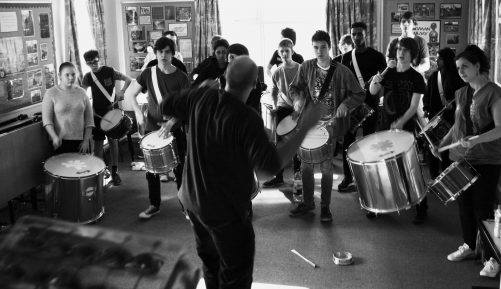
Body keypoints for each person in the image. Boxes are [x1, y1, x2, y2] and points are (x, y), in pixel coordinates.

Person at [161, 55, 324, 289]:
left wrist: (199, 88)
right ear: (255, 84)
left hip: (192, 200)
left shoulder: (200, 97)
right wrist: (304, 127)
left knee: (211, 262)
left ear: (224, 76)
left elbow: (166, 105)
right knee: (235, 273)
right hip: (225, 211)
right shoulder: (247, 118)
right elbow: (268, 170)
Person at [290, 30, 365, 222]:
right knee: (306, 167)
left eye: (323, 47)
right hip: (308, 124)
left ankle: (325, 207)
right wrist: (298, 100)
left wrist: (344, 105)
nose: (319, 51)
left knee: (326, 168)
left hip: (330, 126)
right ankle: (308, 203)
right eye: (316, 47)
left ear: (329, 47)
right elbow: (295, 87)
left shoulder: (341, 71)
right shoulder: (306, 67)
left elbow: (359, 93)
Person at [442, 45, 501, 278]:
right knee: (464, 206)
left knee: (483, 209)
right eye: (458, 68)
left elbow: (500, 129)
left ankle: (492, 258)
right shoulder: (462, 93)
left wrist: (476, 140)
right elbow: (458, 126)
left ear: (478, 66)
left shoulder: (494, 93)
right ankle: (469, 245)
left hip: (487, 159)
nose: (461, 72)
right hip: (462, 158)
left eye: (465, 66)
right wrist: (442, 143)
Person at [125, 37, 190, 220]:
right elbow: (130, 93)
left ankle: (186, 206)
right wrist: (138, 113)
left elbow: (186, 106)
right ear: (156, 53)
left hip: (174, 129)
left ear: (173, 54)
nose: (163, 55)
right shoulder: (148, 73)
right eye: (160, 51)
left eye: (167, 51)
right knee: (151, 171)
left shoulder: (181, 77)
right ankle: (154, 205)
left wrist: (171, 123)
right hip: (152, 129)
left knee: (179, 168)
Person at [369, 37, 426, 223]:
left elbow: (414, 106)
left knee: (409, 169)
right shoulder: (389, 72)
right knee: (382, 167)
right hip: (384, 126)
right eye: (399, 49)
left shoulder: (417, 78)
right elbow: (372, 91)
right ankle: (379, 206)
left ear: (413, 55)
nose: (401, 53)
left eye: (406, 50)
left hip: (405, 129)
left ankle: (420, 206)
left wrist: (401, 121)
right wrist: (380, 76)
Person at [338, 22, 387, 193]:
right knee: (347, 142)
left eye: (360, 34)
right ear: (351, 36)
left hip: (371, 106)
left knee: (369, 142)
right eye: (354, 34)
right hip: (352, 108)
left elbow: (383, 82)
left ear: (366, 35)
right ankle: (347, 177)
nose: (357, 37)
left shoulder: (377, 56)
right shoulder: (345, 57)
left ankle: (369, 176)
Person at [82, 49, 132, 186]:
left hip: (112, 111)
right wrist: (90, 109)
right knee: (98, 144)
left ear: (99, 59)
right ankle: (99, 171)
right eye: (90, 63)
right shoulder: (87, 77)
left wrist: (122, 91)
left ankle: (115, 171)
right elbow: (83, 95)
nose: (94, 65)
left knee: (113, 140)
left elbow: (128, 79)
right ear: (87, 63)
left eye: (95, 61)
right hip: (97, 114)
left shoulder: (110, 71)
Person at [266, 38, 303, 194]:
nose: (284, 53)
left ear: (292, 51)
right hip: (282, 110)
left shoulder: (301, 68)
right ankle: (279, 176)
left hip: (298, 111)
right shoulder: (277, 71)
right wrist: (275, 107)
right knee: (280, 145)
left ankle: (298, 178)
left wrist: (299, 110)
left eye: (287, 50)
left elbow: (305, 92)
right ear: (278, 53)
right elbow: (274, 91)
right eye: (281, 51)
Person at [422, 47, 465, 184]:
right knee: (435, 148)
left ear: (446, 60)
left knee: (444, 149)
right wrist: (426, 108)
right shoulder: (436, 76)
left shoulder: (457, 76)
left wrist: (453, 105)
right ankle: (438, 178)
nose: (437, 60)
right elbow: (427, 96)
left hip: (447, 119)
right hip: (439, 118)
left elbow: (462, 99)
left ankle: (443, 177)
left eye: (439, 58)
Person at [42, 62, 94, 154]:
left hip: (81, 141)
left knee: (82, 168)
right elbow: (47, 121)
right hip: (60, 141)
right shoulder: (50, 93)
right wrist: (54, 137)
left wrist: (86, 141)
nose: (71, 78)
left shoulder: (82, 92)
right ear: (59, 76)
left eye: (73, 74)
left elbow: (89, 120)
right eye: (67, 75)